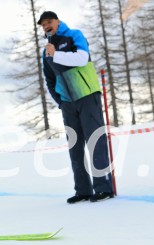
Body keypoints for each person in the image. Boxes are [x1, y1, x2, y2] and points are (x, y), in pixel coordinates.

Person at [38, 11, 114, 204]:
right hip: (68, 104)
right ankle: (83, 190)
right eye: (43, 24)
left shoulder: (74, 35)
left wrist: (56, 54)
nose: (46, 26)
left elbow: (82, 58)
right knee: (75, 147)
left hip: (87, 96)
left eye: (49, 22)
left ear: (58, 21)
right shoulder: (45, 51)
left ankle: (103, 188)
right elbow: (49, 79)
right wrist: (60, 101)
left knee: (95, 141)